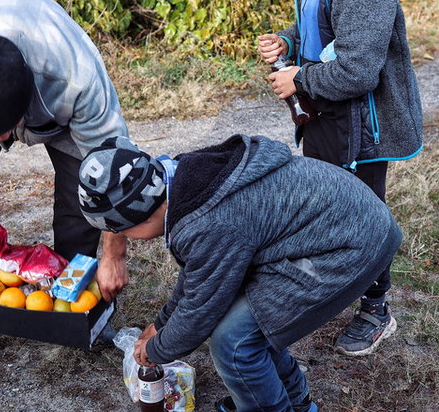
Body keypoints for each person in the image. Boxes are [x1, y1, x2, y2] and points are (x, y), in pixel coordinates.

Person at [77, 134, 402, 412]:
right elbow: (201, 276)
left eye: (119, 230)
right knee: (248, 323)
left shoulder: (208, 222)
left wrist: (157, 349)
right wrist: (160, 324)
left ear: (137, 219)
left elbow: (201, 310)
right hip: (335, 229)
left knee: (234, 341)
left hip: (347, 248)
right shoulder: (183, 182)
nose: (124, 239)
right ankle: (293, 400)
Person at [256, 0, 423, 356]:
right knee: (321, 208)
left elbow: (356, 71)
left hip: (362, 128)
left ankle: (377, 309)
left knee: (363, 215)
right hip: (327, 117)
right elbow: (324, 28)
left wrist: (298, 79)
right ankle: (327, 289)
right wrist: (287, 40)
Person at [0, 0, 132, 376]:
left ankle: (74, 300)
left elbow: (111, 166)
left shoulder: (72, 75)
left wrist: (114, 255)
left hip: (52, 97)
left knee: (82, 195)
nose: (4, 142)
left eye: (6, 132)